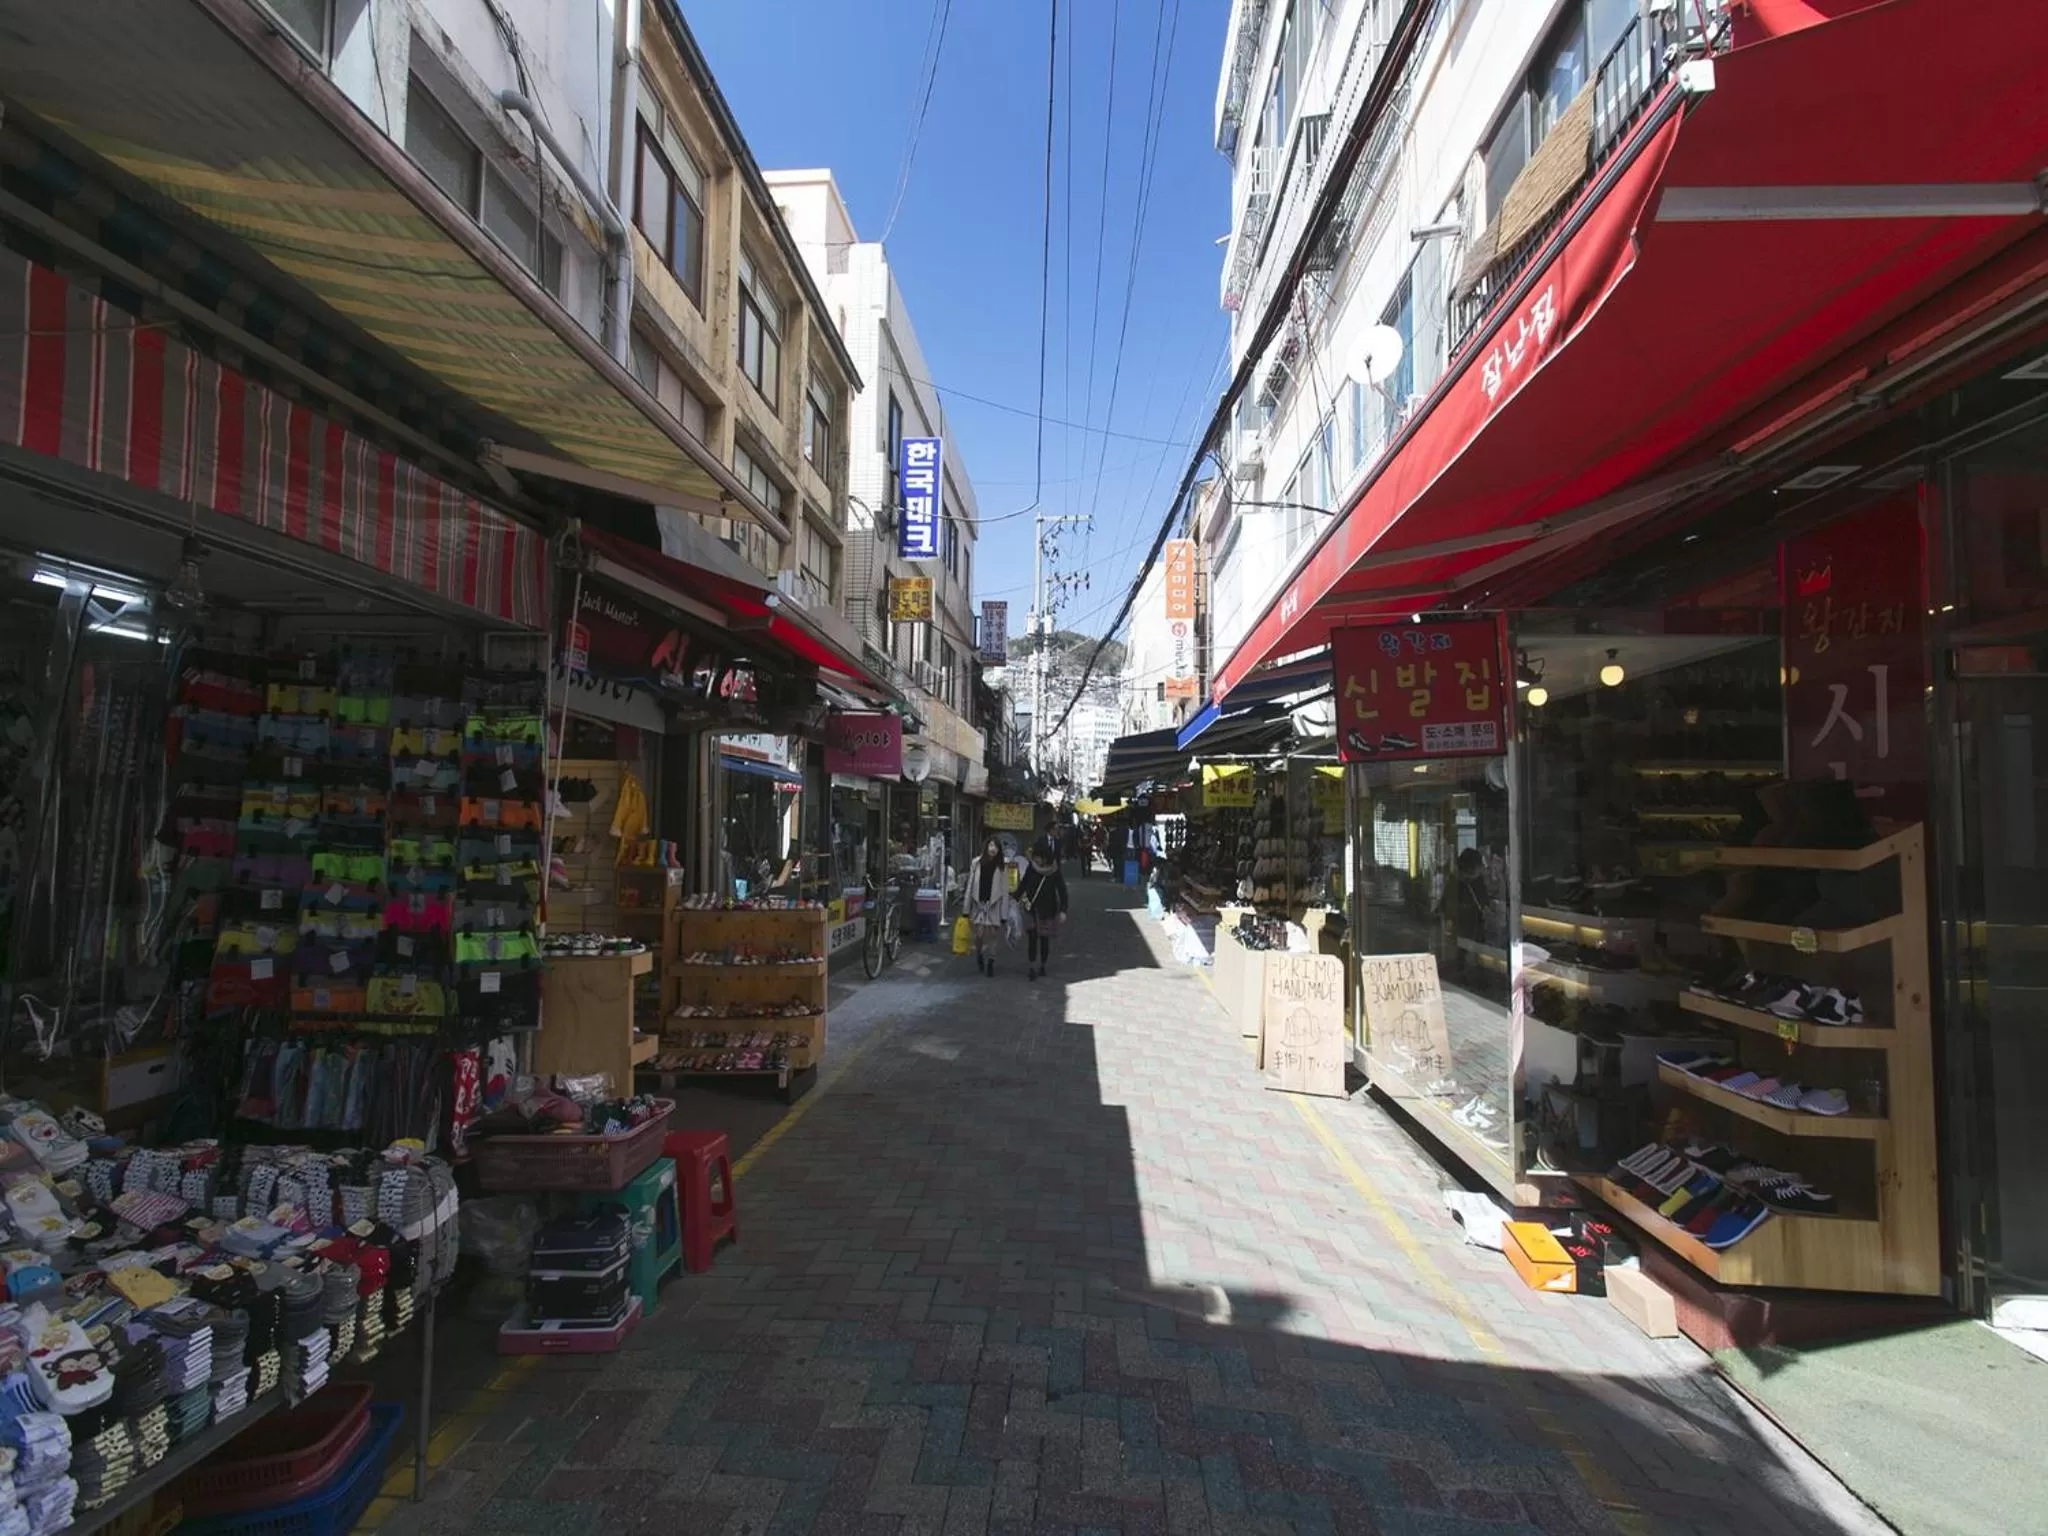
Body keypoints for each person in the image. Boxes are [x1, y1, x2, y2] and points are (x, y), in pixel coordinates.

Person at [1017, 837, 1070, 981]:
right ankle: (1032, 966)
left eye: (1039, 857)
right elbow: (1023, 884)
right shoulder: (1031, 868)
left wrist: (1063, 910)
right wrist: (1014, 898)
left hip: (1048, 909)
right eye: (1035, 857)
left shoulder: (1054, 871)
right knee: (1032, 938)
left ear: (1046, 857)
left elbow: (1062, 891)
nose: (1036, 860)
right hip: (1031, 908)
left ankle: (1043, 965)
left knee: (1044, 939)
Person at [961, 838, 1014, 977]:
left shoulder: (1002, 866)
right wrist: (966, 909)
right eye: (991, 845)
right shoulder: (976, 863)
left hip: (994, 904)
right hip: (979, 903)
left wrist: (1004, 914)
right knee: (978, 935)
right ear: (986, 847)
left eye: (996, 847)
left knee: (993, 935)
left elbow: (1004, 891)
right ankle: (979, 954)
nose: (993, 849)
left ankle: (991, 961)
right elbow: (970, 885)